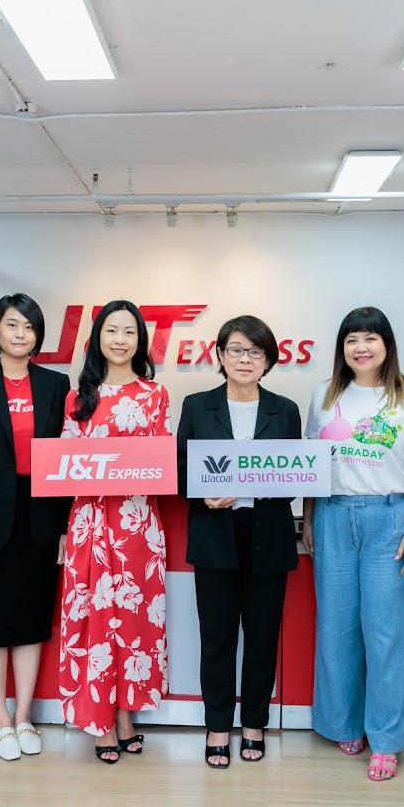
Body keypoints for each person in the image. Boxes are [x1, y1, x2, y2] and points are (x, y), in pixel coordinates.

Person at [302, 306, 404, 782]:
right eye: (352, 340)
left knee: (388, 633)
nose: (361, 348)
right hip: (334, 516)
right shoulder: (324, 395)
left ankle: (386, 739)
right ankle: (343, 724)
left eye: (370, 339)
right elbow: (312, 463)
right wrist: (309, 518)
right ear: (342, 348)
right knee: (336, 629)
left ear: (387, 345)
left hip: (391, 518)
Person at [176, 315, 301, 768]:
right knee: (217, 637)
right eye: (236, 350)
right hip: (215, 533)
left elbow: (297, 474)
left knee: (263, 637)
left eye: (255, 352)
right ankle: (217, 726)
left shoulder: (285, 409)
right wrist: (203, 494)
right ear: (220, 355)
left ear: (267, 360)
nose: (245, 359)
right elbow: (180, 470)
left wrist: (272, 486)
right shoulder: (197, 405)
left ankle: (253, 723)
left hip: (268, 533)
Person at [0, 295, 70, 761]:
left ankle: (24, 715)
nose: (21, 334)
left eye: (29, 326)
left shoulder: (56, 384)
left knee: (30, 620)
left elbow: (66, 457)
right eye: (12, 325)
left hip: (40, 516)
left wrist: (64, 527)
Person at [57, 300, 172, 763]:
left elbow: (163, 463)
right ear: (97, 338)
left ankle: (125, 715)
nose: (120, 340)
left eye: (129, 332)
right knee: (94, 621)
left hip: (138, 524)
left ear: (140, 341)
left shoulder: (156, 395)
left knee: (134, 623)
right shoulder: (77, 397)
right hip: (89, 522)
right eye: (111, 331)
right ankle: (99, 721)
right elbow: (63, 466)